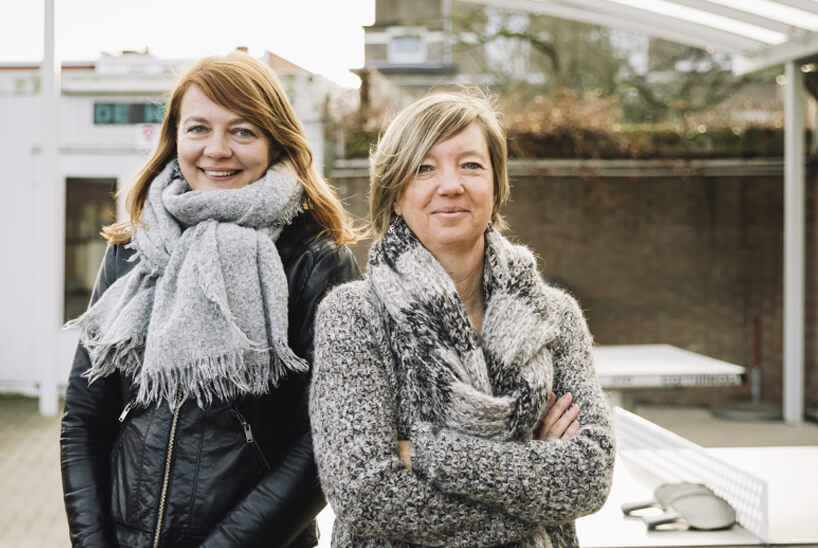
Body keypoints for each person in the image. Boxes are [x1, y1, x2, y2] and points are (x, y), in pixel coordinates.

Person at [60, 52, 360, 548]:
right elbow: (84, 418)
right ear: (175, 137)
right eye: (199, 128)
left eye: (242, 131)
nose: (216, 150)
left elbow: (325, 442)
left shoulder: (315, 260)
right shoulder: (133, 250)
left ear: (274, 142)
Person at [310, 89, 615, 547]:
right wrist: (532, 479)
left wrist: (427, 453)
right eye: (424, 168)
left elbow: (588, 475)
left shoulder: (554, 316)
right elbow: (364, 493)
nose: (450, 185)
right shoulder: (354, 315)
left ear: (496, 187)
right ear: (394, 194)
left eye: (471, 165)